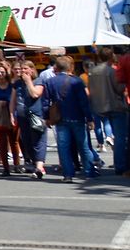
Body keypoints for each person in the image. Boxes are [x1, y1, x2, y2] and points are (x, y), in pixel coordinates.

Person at [42, 55, 98, 183]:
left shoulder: (50, 82)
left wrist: (47, 117)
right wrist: (89, 118)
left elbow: (45, 102)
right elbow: (83, 101)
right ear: (70, 68)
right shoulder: (77, 81)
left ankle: (68, 174)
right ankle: (89, 172)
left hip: (61, 118)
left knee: (63, 147)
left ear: (56, 68)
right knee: (83, 146)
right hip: (77, 117)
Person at [88, 47, 128, 175]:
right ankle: (120, 165)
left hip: (99, 106)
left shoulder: (92, 71)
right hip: (115, 105)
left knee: (103, 127)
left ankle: (119, 163)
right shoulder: (111, 71)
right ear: (111, 56)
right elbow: (119, 88)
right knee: (120, 137)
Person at [10, 60, 47, 179]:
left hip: (36, 116)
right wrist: (12, 114)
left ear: (32, 70)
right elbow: (13, 100)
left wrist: (28, 82)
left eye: (26, 68)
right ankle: (35, 163)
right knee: (27, 141)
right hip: (22, 116)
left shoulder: (38, 81)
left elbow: (35, 94)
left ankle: (39, 167)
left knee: (38, 141)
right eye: (22, 69)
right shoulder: (17, 83)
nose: (23, 71)